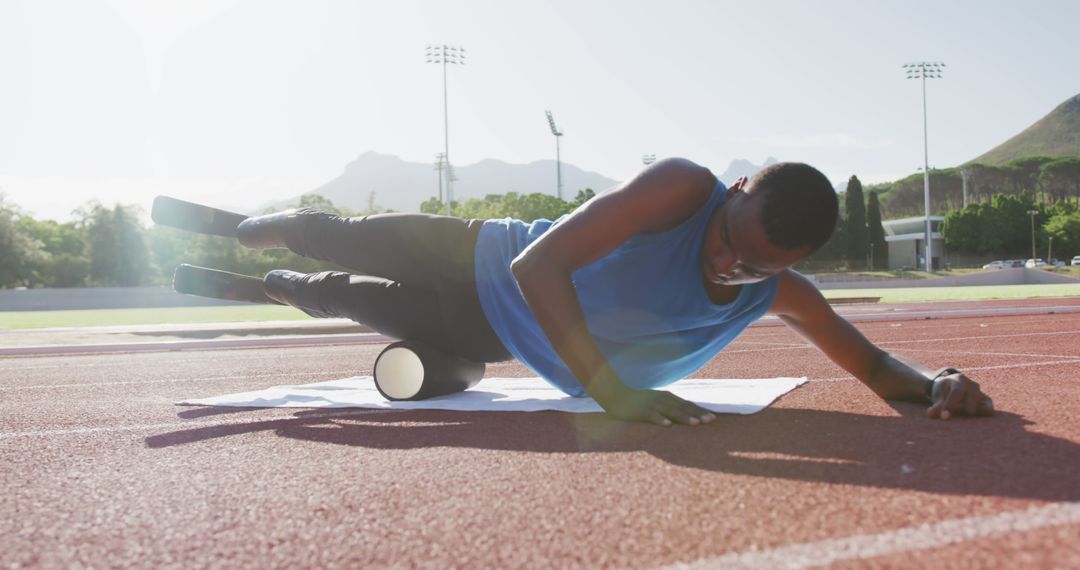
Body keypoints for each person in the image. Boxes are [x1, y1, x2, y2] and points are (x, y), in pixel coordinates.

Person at [236, 158, 993, 426]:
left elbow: (873, 367)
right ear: (730, 193)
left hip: (485, 339)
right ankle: (279, 226)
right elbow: (538, 266)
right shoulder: (683, 188)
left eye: (756, 268)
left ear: (785, 267)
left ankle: (295, 282)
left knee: (341, 295)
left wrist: (941, 383)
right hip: (473, 251)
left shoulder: (777, 295)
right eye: (728, 240)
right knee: (345, 236)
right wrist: (611, 392)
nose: (732, 266)